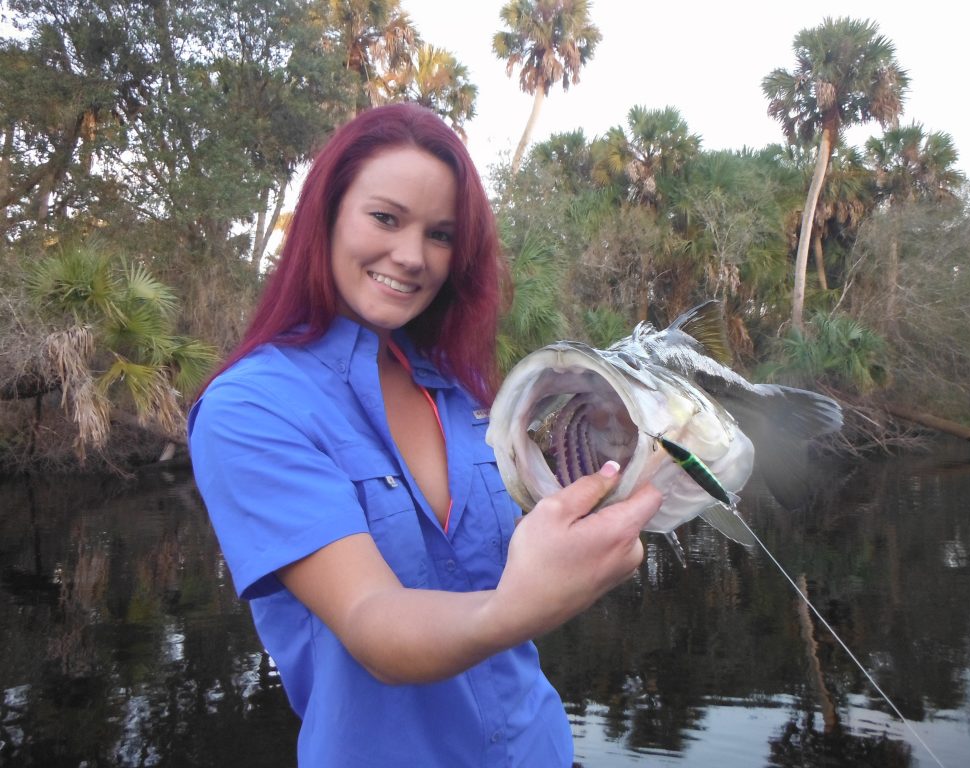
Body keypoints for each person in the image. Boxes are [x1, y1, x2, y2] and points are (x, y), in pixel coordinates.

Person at [188, 103, 663, 767]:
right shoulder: (250, 408)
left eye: (440, 235)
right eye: (385, 218)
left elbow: (551, 519)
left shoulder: (470, 395)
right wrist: (516, 608)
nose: (411, 257)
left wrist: (623, 467)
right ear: (324, 218)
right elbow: (371, 621)